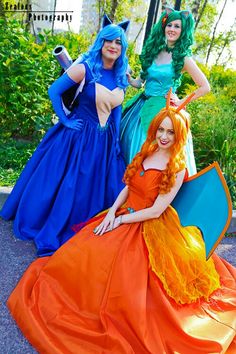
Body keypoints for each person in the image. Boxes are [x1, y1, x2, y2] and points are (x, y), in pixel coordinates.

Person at [7, 96, 236, 353]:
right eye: (160, 129)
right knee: (83, 255)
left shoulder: (177, 168)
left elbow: (156, 210)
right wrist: (111, 212)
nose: (163, 136)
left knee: (129, 283)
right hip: (123, 212)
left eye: (170, 132)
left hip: (150, 225)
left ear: (179, 135)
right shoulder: (146, 152)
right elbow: (128, 187)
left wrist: (121, 220)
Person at [0, 21, 130, 256]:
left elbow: (116, 111)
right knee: (69, 184)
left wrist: (116, 140)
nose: (113, 45)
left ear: (123, 48)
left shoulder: (121, 77)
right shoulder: (86, 68)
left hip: (103, 141)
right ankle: (59, 223)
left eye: (118, 42)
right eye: (109, 40)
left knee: (93, 187)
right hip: (77, 138)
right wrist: (65, 120)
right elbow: (54, 90)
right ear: (101, 43)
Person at [120, 6, 210, 176]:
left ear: (183, 31)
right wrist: (130, 79)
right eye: (169, 25)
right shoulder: (153, 51)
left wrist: (182, 102)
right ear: (163, 27)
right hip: (141, 106)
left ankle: (153, 192)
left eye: (177, 26)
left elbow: (205, 86)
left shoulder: (183, 57)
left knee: (157, 151)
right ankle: (130, 188)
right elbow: (140, 83)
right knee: (128, 143)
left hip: (164, 111)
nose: (172, 29)